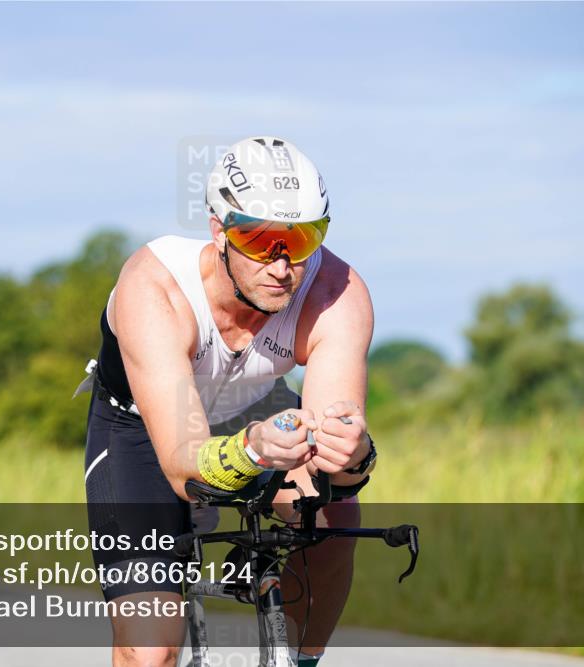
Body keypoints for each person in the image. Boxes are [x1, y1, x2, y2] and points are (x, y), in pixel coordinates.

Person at [80, 137, 377, 667]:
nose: (283, 265)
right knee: (149, 652)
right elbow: (181, 464)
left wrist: (352, 455)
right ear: (219, 229)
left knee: (334, 515)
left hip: (256, 410)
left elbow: (339, 453)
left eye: (303, 239)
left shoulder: (337, 290)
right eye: (261, 240)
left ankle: (300, 661)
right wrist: (254, 451)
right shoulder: (154, 287)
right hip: (144, 434)